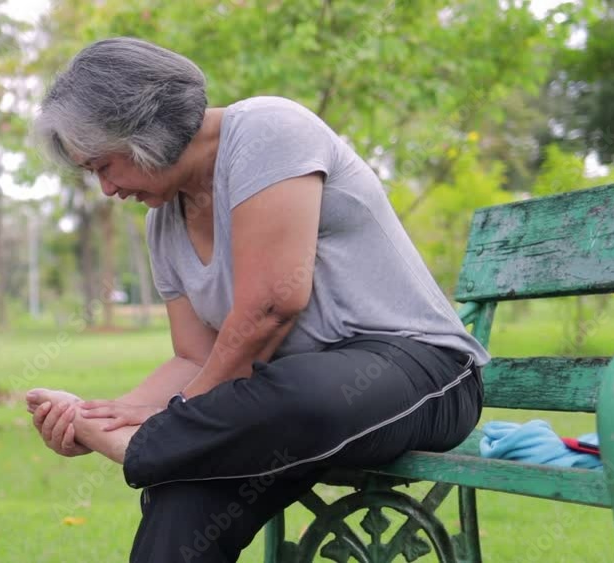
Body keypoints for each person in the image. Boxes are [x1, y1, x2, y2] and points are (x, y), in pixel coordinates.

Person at [26, 36, 489, 563]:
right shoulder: (163, 225)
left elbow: (272, 306)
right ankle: (157, 451)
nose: (106, 189)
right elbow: (195, 359)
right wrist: (103, 416)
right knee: (182, 494)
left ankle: (149, 451)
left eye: (105, 165)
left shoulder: (268, 128)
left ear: (143, 131)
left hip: (420, 372)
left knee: (296, 396)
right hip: (276, 408)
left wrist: (157, 431)